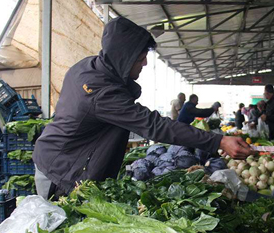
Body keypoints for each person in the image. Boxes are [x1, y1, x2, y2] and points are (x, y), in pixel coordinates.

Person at [33, 17, 253, 198]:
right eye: (140, 59)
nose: (145, 63)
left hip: (61, 159)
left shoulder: (89, 68)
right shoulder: (101, 92)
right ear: (123, 59)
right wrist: (218, 140)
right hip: (61, 171)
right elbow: (154, 126)